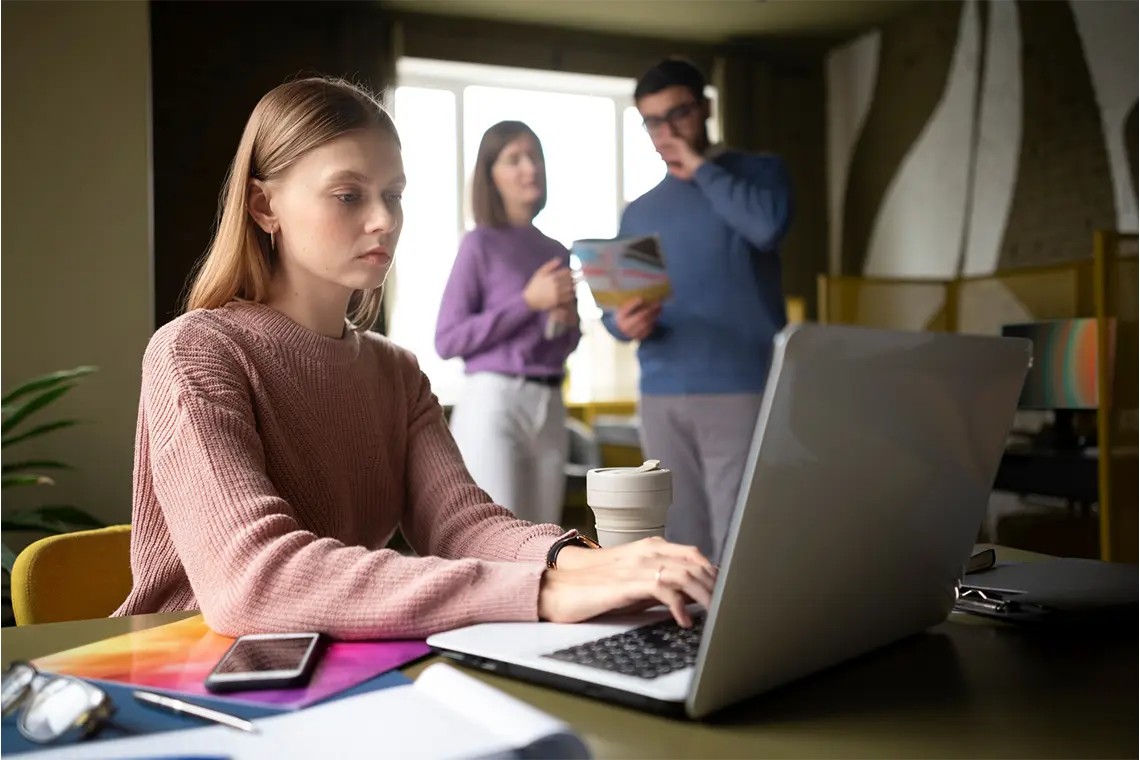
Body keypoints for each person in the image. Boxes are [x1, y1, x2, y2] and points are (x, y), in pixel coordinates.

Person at [112, 77, 716, 640]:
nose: (384, 221)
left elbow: (463, 527)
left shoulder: (395, 372)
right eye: (348, 195)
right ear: (265, 206)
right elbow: (256, 581)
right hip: (192, 673)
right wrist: (544, 589)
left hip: (336, 666)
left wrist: (591, 563)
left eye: (393, 195)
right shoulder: (195, 352)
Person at [602, 58, 794, 565]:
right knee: (679, 538)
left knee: (744, 535)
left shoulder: (759, 173)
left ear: (705, 107)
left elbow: (766, 229)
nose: (666, 131)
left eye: (679, 114)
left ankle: (746, 643)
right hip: (662, 390)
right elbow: (616, 310)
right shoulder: (640, 211)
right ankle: (687, 643)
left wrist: (703, 169)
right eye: (652, 122)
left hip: (744, 385)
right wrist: (622, 324)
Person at [435, 121, 579, 526]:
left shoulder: (555, 251)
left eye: (534, 156)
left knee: (545, 539)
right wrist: (527, 302)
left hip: (550, 405)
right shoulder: (478, 243)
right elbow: (448, 339)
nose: (529, 168)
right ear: (490, 176)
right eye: (514, 159)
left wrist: (564, 324)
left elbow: (562, 344)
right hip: (495, 403)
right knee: (500, 537)